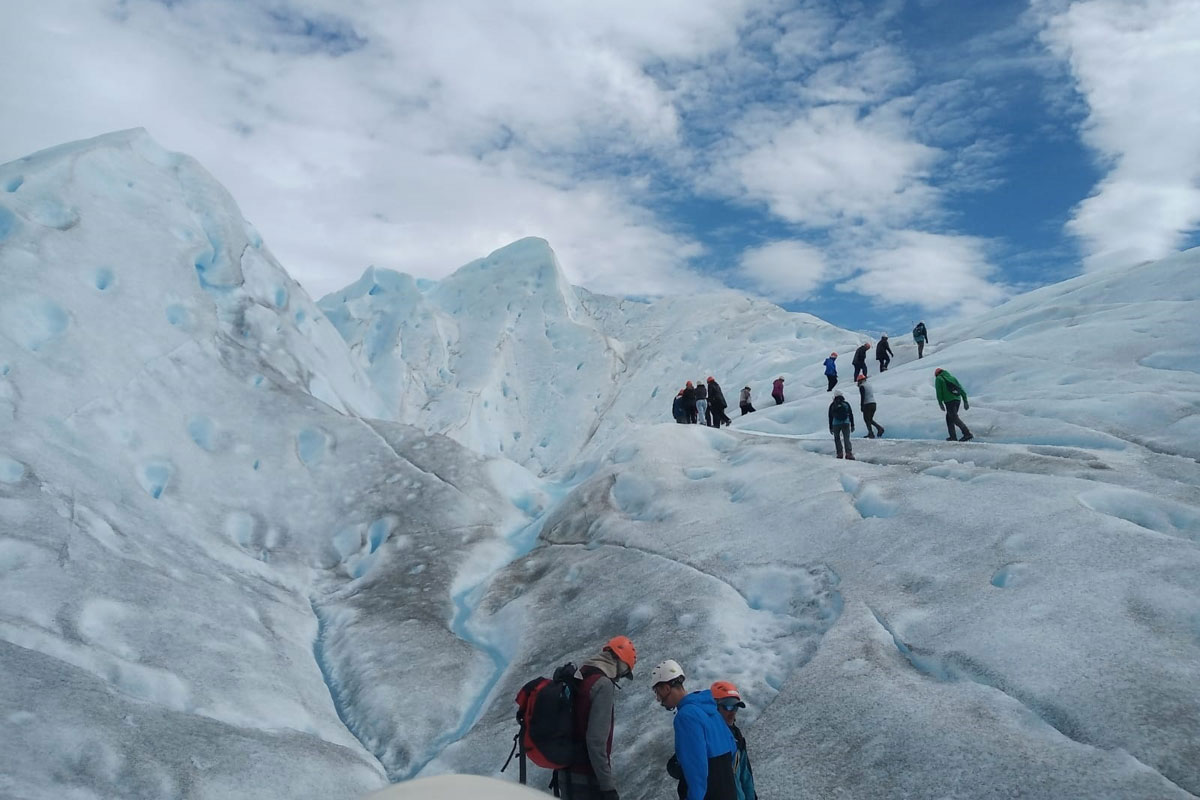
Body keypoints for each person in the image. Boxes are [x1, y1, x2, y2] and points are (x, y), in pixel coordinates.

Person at [557, 636, 638, 800]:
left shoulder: (581, 674)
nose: (619, 677)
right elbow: (596, 742)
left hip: (565, 772)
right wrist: (608, 788)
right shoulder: (603, 685)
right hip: (586, 778)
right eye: (624, 673)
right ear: (621, 665)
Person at [653, 660, 736, 800]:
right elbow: (732, 748)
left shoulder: (685, 716)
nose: (658, 698)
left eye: (657, 692)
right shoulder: (711, 709)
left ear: (666, 688)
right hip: (728, 791)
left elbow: (696, 768)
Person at [710, 682, 757, 800]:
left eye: (736, 706)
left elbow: (745, 777)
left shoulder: (737, 736)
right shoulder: (706, 737)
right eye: (728, 706)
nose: (733, 711)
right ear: (715, 706)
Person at [934, 368, 973, 441]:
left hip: (949, 401)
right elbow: (960, 389)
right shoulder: (952, 378)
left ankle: (967, 434)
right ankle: (953, 437)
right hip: (957, 400)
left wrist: (940, 403)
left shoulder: (939, 379)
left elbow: (939, 391)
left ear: (937, 374)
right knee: (949, 418)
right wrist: (965, 401)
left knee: (954, 418)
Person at [828, 391, 855, 460]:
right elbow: (851, 414)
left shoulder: (832, 405)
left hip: (835, 424)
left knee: (837, 439)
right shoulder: (846, 404)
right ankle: (848, 453)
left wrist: (830, 427)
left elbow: (830, 416)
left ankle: (839, 453)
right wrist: (852, 425)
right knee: (846, 438)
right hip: (845, 423)